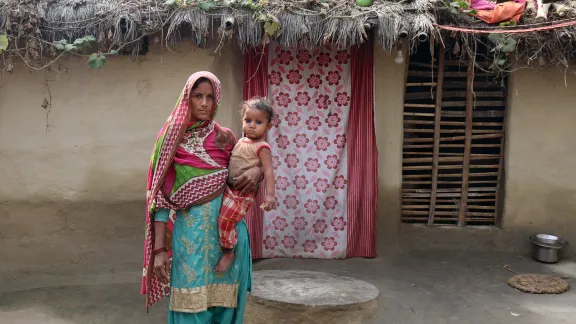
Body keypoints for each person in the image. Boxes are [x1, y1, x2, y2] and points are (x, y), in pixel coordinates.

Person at [140, 71, 263, 324]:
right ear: (187, 98)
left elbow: (249, 164)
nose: (205, 103)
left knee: (225, 311)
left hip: (228, 241)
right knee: (190, 311)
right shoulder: (171, 140)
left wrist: (257, 170)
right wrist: (160, 249)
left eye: (210, 96)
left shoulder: (226, 138)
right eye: (198, 96)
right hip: (190, 243)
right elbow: (160, 199)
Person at [215, 98, 276, 273]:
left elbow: (269, 171)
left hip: (242, 194)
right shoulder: (240, 141)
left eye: (258, 122)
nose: (252, 126)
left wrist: (270, 195)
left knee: (225, 220)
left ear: (268, 127)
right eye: (248, 120)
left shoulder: (262, 147)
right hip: (229, 189)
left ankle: (229, 252)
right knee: (220, 218)